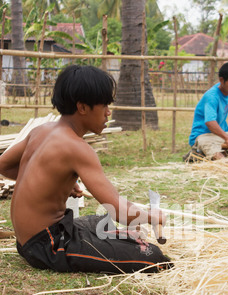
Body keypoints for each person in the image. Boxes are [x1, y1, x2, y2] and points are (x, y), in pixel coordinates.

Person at [0, 65, 171, 274]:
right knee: (152, 257)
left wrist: (55, 182)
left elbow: (4, 166)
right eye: (105, 106)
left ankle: (121, 240)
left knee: (101, 222)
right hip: (48, 245)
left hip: (27, 239)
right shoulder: (78, 149)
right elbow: (118, 210)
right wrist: (154, 217)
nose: (109, 113)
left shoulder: (40, 130)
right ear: (82, 107)